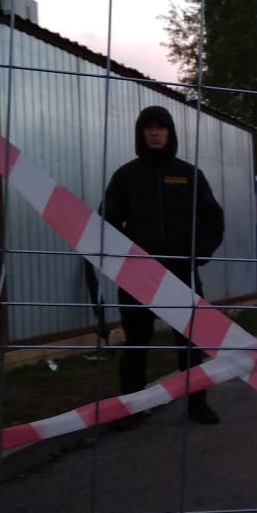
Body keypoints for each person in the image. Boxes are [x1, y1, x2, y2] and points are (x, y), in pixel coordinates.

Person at [102, 105, 225, 426]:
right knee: (136, 343)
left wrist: (197, 254)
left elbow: (214, 219)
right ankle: (131, 408)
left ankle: (197, 403)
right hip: (138, 275)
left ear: (170, 132)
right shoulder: (126, 177)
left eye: (160, 127)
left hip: (181, 272)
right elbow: (106, 223)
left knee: (190, 342)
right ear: (140, 133)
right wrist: (123, 259)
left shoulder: (189, 175)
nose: (154, 133)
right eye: (149, 127)